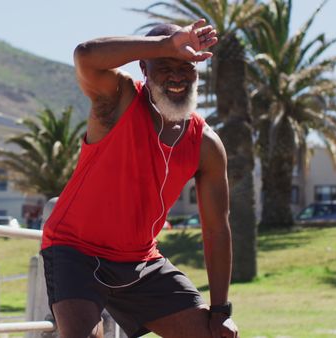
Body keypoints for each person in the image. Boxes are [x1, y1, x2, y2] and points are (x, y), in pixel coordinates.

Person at [40, 19, 238, 338]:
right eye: (164, 65)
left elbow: (217, 228)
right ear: (144, 69)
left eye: (185, 65)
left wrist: (220, 311)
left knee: (214, 336)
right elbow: (85, 55)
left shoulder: (205, 143)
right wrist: (167, 44)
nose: (176, 76)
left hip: (141, 261)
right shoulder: (118, 101)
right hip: (75, 250)